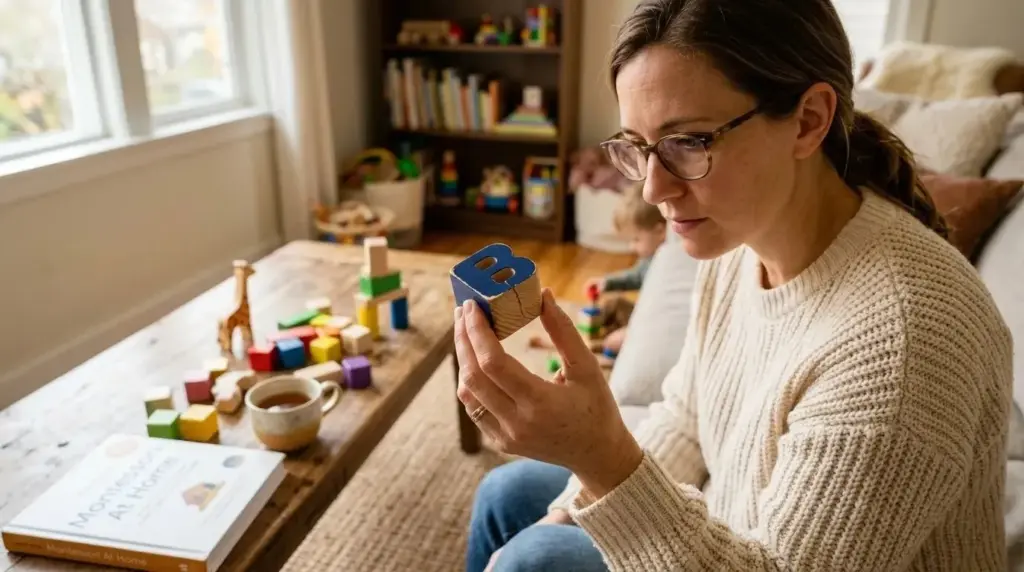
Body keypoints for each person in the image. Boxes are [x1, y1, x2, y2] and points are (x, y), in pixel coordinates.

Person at [454, 0, 1014, 570]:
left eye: (689, 142)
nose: (653, 190)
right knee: (510, 498)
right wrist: (573, 504)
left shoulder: (905, 341)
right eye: (640, 147)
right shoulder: (737, 241)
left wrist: (601, 457)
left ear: (808, 120)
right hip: (733, 520)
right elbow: (687, 418)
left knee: (533, 559)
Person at [582, 184, 666, 354]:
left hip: (653, 323)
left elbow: (661, 318)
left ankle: (599, 344)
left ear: (660, 231)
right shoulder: (649, 259)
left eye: (636, 239)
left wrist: (632, 331)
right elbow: (636, 276)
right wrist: (607, 282)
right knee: (616, 304)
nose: (632, 247)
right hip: (642, 315)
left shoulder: (668, 266)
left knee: (613, 343)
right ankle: (589, 333)